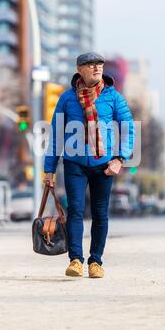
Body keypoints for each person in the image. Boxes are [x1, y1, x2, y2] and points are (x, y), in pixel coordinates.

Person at [43, 52, 135, 278]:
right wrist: (49, 169)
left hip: (104, 165)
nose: (96, 68)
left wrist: (119, 159)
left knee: (100, 213)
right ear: (79, 69)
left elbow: (128, 130)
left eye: (99, 65)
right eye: (90, 64)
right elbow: (56, 134)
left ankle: (96, 262)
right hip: (74, 164)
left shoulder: (114, 97)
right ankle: (75, 260)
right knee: (75, 210)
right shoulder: (67, 98)